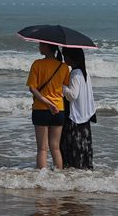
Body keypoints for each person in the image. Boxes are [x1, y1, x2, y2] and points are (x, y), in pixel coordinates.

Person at [26, 42, 70, 170]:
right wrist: (52, 103)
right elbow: (65, 87)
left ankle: (42, 180)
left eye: (41, 45)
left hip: (41, 109)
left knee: (42, 148)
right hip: (59, 109)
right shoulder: (63, 67)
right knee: (55, 148)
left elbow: (32, 88)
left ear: (47, 47)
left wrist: (47, 103)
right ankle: (58, 178)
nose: (39, 47)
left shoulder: (37, 64)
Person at [60, 47, 96, 169]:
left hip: (75, 117)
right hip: (85, 115)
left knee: (72, 146)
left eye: (66, 56)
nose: (64, 58)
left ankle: (72, 169)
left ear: (72, 58)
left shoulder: (75, 73)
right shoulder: (85, 73)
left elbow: (72, 95)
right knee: (84, 147)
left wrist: (62, 86)